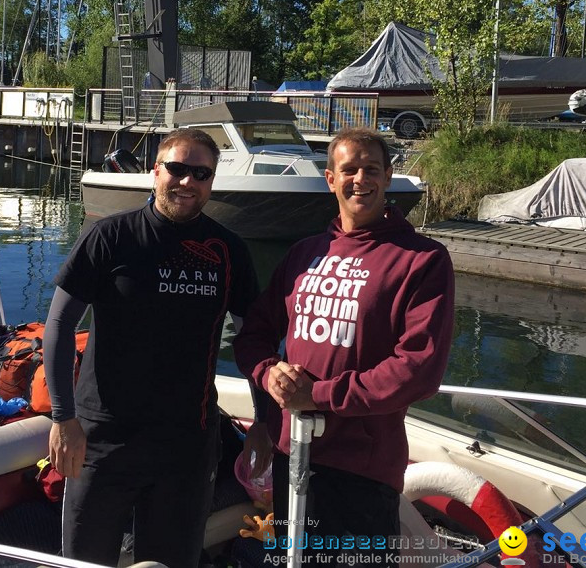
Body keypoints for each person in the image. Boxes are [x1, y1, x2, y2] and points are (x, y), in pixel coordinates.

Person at [233, 127, 454, 563]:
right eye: (349, 169)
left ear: (388, 176)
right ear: (330, 179)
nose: (360, 179)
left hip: (361, 467)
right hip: (291, 454)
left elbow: (419, 369)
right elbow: (254, 334)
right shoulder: (304, 253)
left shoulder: (422, 259)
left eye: (371, 169)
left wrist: (315, 395)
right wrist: (269, 372)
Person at [43, 127, 260, 568]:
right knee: (85, 563)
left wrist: (265, 422)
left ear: (211, 182)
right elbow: (60, 325)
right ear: (154, 170)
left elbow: (253, 341)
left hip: (187, 447)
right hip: (102, 441)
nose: (187, 182)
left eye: (201, 173)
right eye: (178, 169)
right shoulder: (110, 237)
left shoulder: (228, 251)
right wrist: (64, 418)